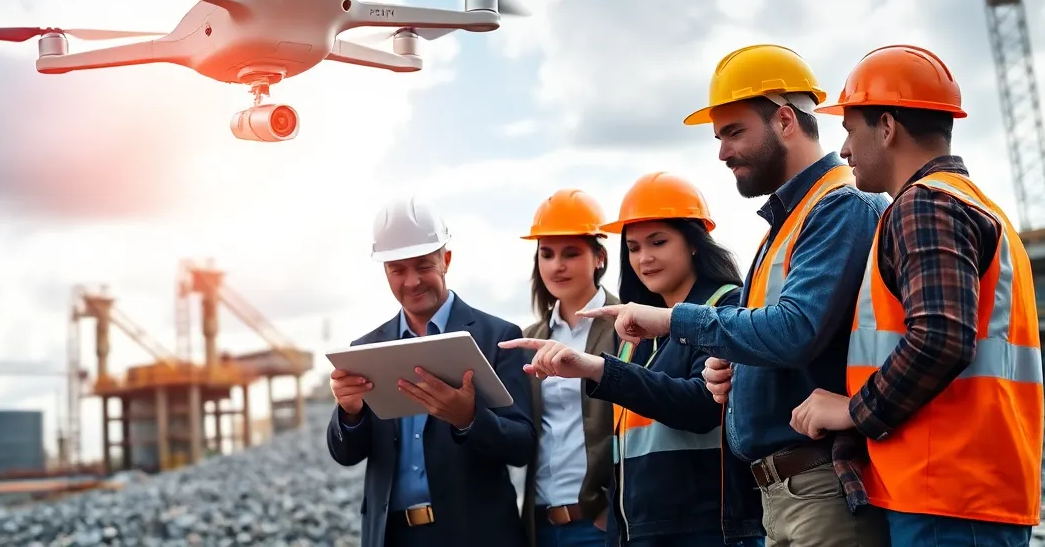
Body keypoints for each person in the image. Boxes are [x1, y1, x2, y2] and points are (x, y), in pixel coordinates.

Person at [584, 45, 891, 545]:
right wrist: (732, 371)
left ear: (786, 121)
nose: (722, 151)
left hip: (821, 487)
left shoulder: (839, 208)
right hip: (785, 495)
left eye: (733, 132)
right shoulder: (789, 222)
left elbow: (796, 331)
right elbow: (787, 338)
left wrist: (671, 321)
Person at [788, 44, 1044, 546]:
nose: (843, 151)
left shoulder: (923, 207)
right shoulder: (976, 205)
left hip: (944, 495)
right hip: (971, 490)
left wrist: (852, 410)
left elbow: (943, 336)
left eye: (849, 130)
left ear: (886, 126)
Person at [506, 173, 765, 547]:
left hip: (706, 529)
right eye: (634, 247)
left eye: (658, 242)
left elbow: (700, 406)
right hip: (642, 532)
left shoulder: (724, 307)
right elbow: (621, 451)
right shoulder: (635, 328)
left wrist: (596, 367)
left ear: (694, 242)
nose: (644, 258)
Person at [327, 194, 536, 547]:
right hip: (393, 537)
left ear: (446, 259)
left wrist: (468, 418)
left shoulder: (498, 338)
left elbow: (521, 446)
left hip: (476, 536)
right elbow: (346, 455)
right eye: (398, 270)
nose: (412, 282)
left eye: (423, 265)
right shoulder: (365, 351)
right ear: (385, 272)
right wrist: (349, 414)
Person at [513, 189, 620, 547]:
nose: (557, 265)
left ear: (599, 257)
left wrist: (614, 511)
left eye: (570, 253)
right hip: (540, 526)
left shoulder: (629, 327)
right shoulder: (530, 340)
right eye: (547, 254)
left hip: (600, 526)